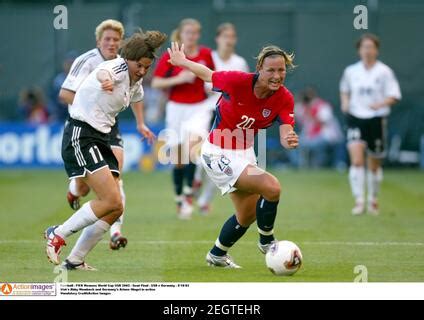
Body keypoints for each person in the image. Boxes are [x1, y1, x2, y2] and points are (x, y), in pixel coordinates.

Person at [167, 42, 299, 268]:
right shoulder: (238, 81)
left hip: (245, 153)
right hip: (217, 152)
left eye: (281, 70)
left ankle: (217, 255)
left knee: (247, 215)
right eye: (271, 70)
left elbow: (287, 128)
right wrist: (183, 62)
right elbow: (208, 74)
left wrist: (289, 138)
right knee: (272, 187)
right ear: (259, 67)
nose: (277, 75)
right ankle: (267, 242)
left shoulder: (284, 97)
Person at [44, 30, 166, 270]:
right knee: (110, 199)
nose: (142, 71)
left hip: (100, 138)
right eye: (139, 65)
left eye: (147, 67)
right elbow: (104, 71)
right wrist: (104, 80)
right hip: (82, 134)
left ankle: (75, 260)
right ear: (128, 59)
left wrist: (141, 123)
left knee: (116, 206)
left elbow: (138, 96)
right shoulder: (118, 67)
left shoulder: (136, 79)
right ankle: (56, 233)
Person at [59, 19, 131, 249]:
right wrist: (92, 103)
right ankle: (73, 190)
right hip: (85, 126)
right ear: (98, 41)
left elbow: (136, 94)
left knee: (116, 178)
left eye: (116, 40)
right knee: (83, 188)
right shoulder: (86, 61)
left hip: (110, 126)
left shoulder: (122, 64)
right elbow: (65, 93)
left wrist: (141, 123)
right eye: (107, 39)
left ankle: (116, 232)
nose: (111, 43)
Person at [152, 18, 215, 219]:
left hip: (199, 108)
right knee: (179, 158)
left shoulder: (205, 54)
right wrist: (179, 79)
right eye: (188, 32)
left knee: (193, 148)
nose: (191, 36)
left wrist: (210, 86)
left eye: (195, 32)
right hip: (176, 108)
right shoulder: (172, 54)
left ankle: (189, 195)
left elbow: (212, 77)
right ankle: (179, 197)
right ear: (181, 34)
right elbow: (156, 82)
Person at [340, 33, 401, 215]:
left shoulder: (384, 72)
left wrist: (381, 104)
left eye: (371, 47)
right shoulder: (351, 71)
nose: (368, 50)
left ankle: (373, 199)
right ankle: (359, 201)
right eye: (364, 47)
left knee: (373, 164)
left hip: (376, 119)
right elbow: (344, 90)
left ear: (376, 50)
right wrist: (345, 103)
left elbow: (394, 95)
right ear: (359, 50)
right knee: (357, 161)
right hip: (355, 118)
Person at [193, 22, 249, 215]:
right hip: (208, 111)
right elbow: (204, 86)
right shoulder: (210, 58)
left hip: (230, 116)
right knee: (200, 153)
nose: (229, 40)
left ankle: (204, 201)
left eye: (232, 36)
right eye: (225, 36)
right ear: (218, 38)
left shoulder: (240, 62)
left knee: (219, 161)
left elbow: (244, 90)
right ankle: (195, 181)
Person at [294, 87, 344, 169]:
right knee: (292, 144)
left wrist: (310, 113)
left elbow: (323, 122)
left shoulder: (322, 106)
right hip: (310, 136)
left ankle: (318, 165)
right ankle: (301, 165)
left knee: (317, 144)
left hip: (328, 135)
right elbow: (295, 111)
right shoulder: (303, 107)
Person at [49, 51, 78, 123]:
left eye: (72, 63)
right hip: (60, 112)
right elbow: (55, 99)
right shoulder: (59, 79)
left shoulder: (82, 78)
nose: (70, 66)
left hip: (77, 111)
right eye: (68, 63)